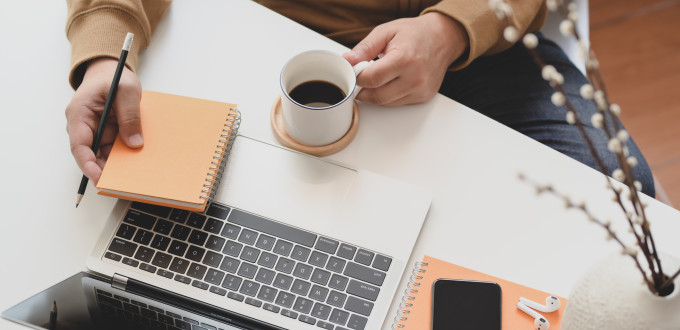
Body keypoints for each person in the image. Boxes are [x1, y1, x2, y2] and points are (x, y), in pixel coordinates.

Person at [64, 0, 655, 197]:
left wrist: (450, 28)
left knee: (615, 194)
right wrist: (101, 58)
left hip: (470, 43)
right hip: (266, 38)